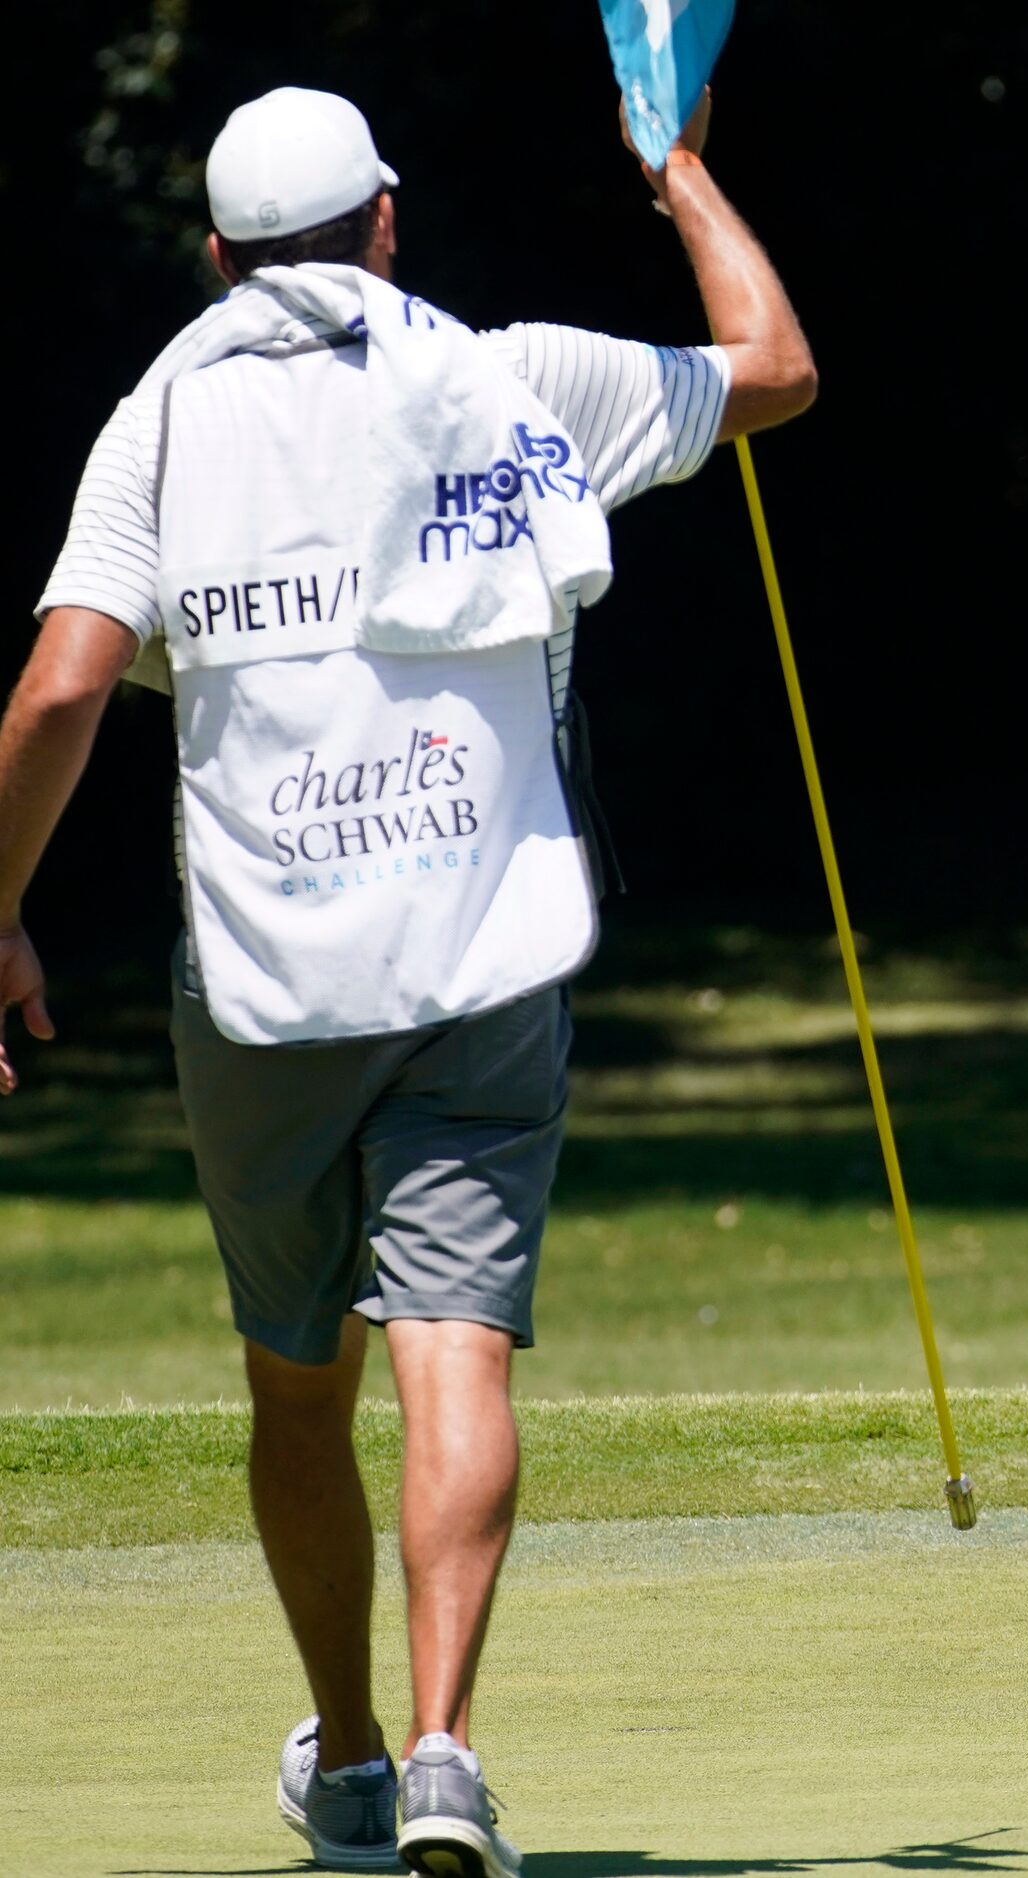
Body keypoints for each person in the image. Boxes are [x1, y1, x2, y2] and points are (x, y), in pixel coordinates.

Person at [2, 85, 813, 1873]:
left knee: (301, 1376)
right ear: (385, 222)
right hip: (482, 949)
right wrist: (676, 171)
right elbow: (774, 364)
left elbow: (64, 689)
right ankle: (449, 1745)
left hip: (266, 980)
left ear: (215, 258)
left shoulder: (158, 415)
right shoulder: (510, 370)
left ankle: (355, 1760)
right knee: (457, 1348)